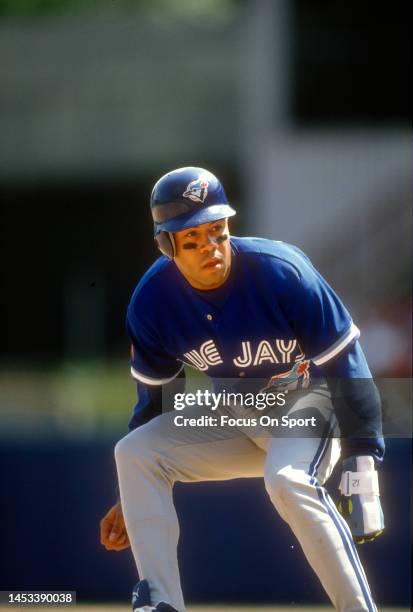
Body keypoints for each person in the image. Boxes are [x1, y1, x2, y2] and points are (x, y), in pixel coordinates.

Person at [100, 167, 385, 612]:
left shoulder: (281, 272)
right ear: (166, 245)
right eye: (191, 238)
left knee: (287, 481)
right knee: (133, 453)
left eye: (216, 230)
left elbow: (347, 364)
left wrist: (362, 466)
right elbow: (154, 402)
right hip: (238, 412)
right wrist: (131, 497)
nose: (210, 247)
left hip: (309, 404)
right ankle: (160, 603)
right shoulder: (153, 302)